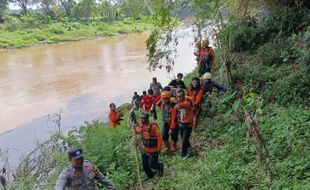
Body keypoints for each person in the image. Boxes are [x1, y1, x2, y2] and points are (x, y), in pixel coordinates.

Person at [132, 112, 164, 181]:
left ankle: (160, 167)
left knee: (152, 164)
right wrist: (134, 129)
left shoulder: (153, 126)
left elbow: (159, 138)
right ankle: (150, 175)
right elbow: (137, 131)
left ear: (147, 119)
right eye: (141, 119)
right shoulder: (141, 125)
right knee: (145, 165)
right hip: (145, 148)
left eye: (143, 119)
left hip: (154, 149)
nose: (142, 120)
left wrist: (158, 149)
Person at [175, 89, 193, 158]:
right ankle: (189, 147)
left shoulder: (187, 103)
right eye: (177, 96)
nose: (179, 98)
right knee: (183, 137)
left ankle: (184, 154)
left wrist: (174, 103)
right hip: (181, 123)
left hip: (188, 124)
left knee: (184, 140)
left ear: (183, 96)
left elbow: (179, 106)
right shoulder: (178, 102)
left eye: (180, 96)